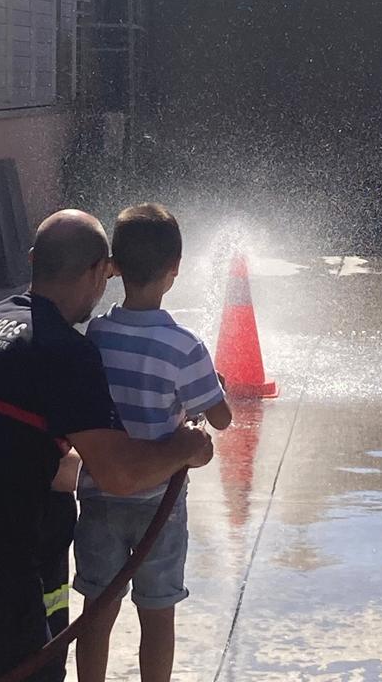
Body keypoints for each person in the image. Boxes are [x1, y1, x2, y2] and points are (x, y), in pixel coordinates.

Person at [0, 209, 213, 682]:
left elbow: (29, 453)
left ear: (35, 260)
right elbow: (121, 477)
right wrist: (183, 447)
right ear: (102, 273)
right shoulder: (63, 351)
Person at [74, 203, 232, 682]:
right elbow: (220, 418)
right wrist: (209, 389)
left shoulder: (96, 333)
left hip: (98, 496)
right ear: (173, 272)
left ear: (114, 267)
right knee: (158, 612)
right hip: (158, 502)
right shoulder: (185, 347)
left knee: (96, 611)